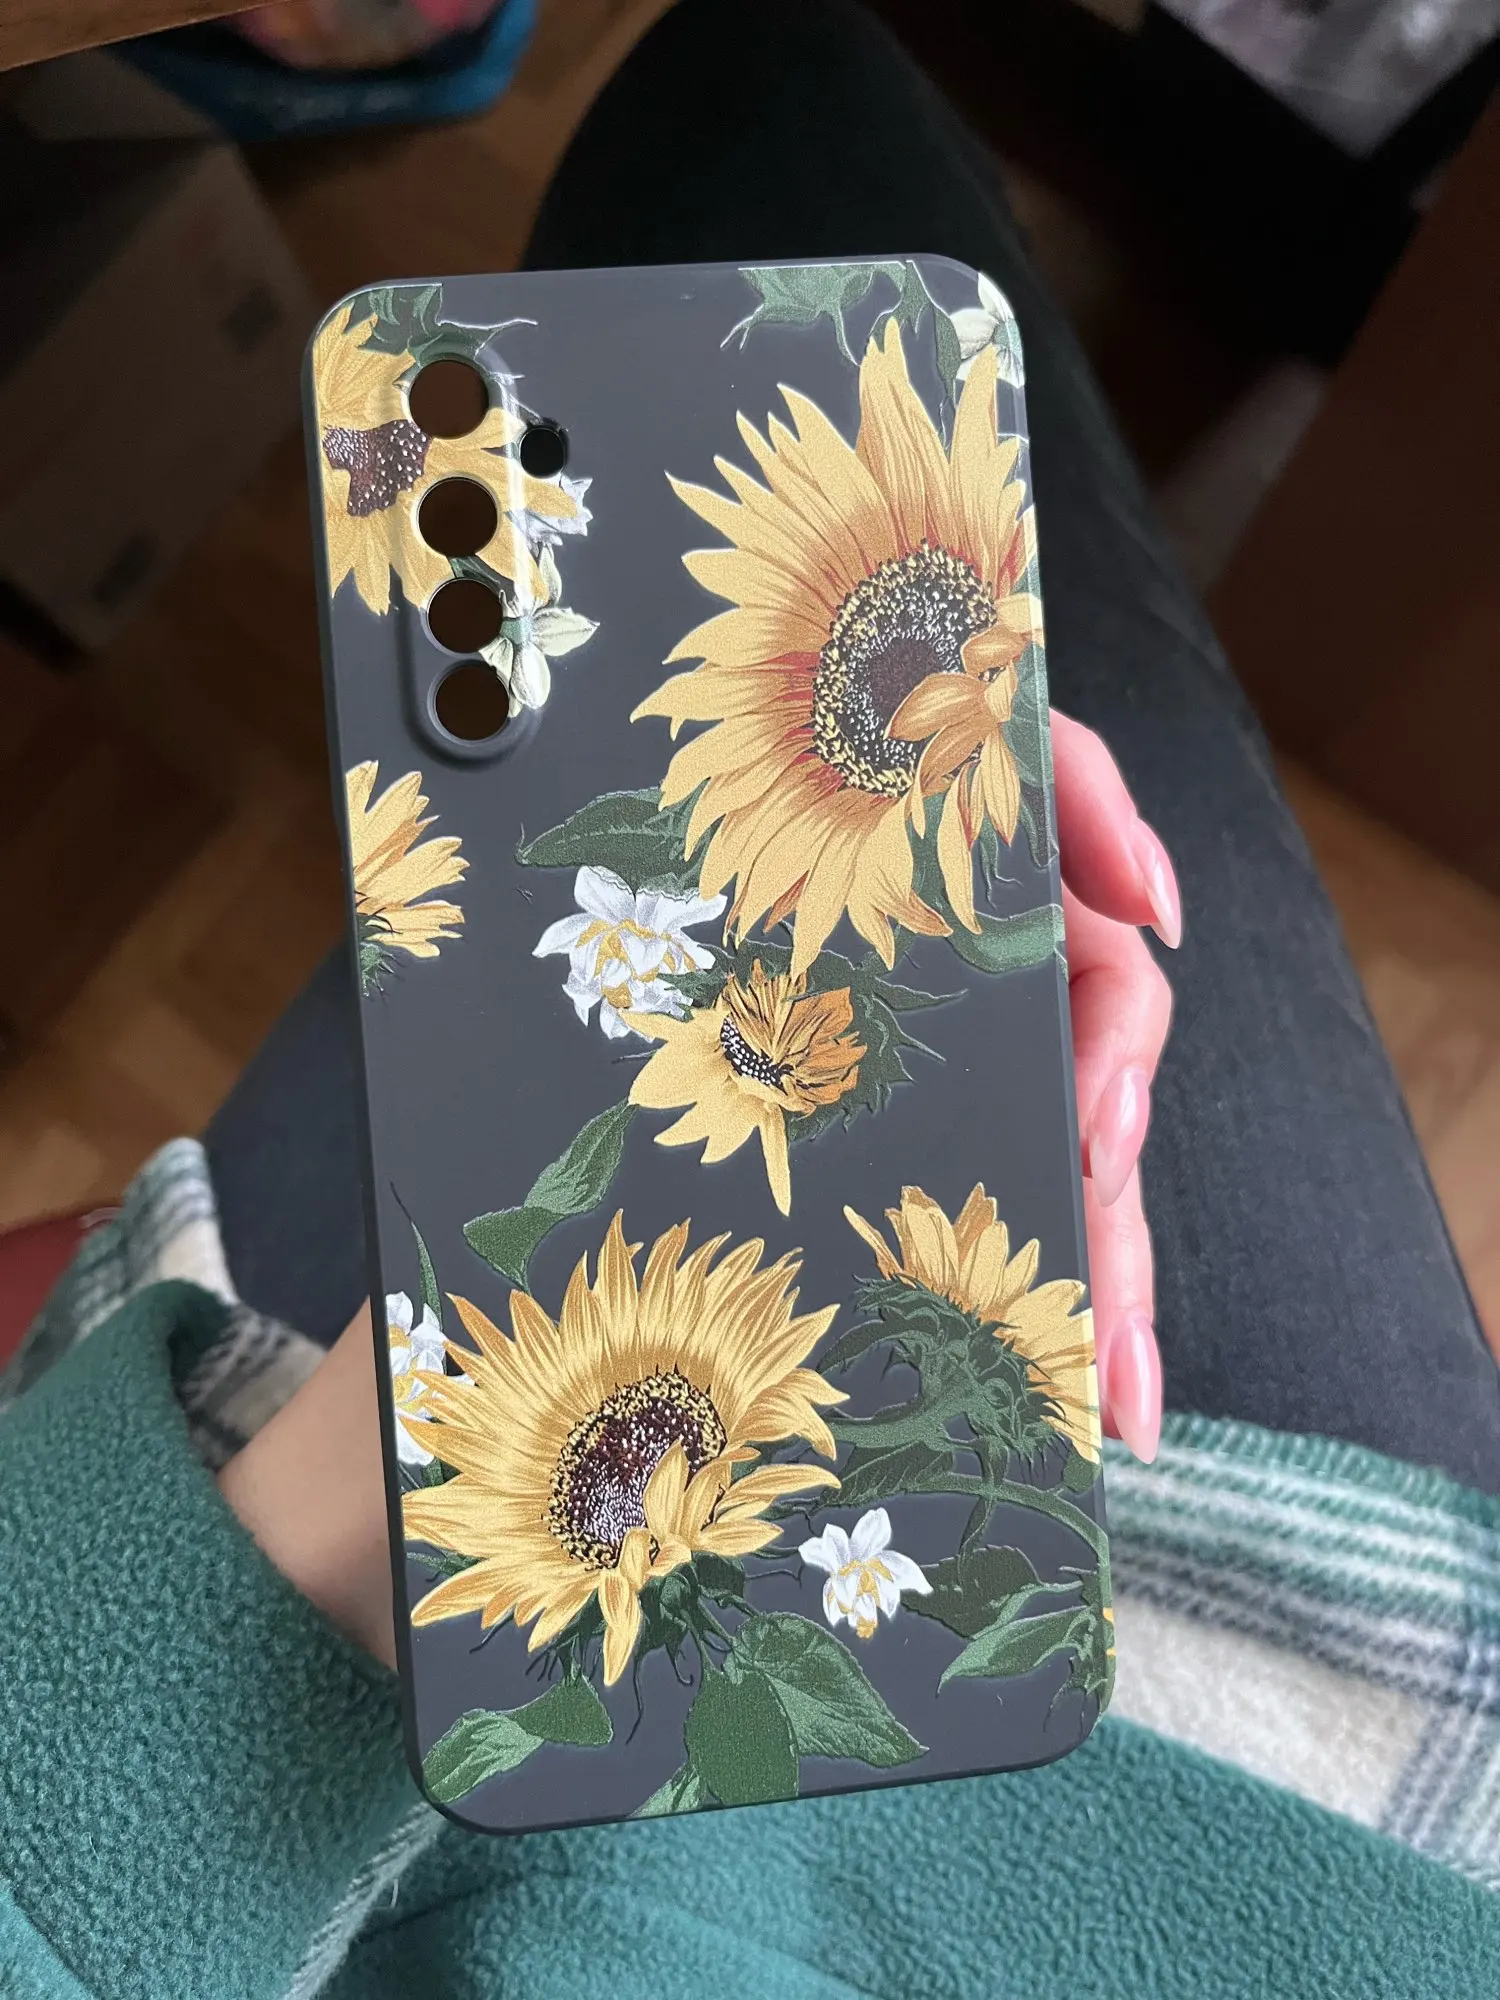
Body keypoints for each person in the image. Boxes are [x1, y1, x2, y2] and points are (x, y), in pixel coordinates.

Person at [3, 4, 1498, 1995]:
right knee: (773, 110)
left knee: (752, 114)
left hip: (270, 1751)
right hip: (1278, 1866)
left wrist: (352, 1545)